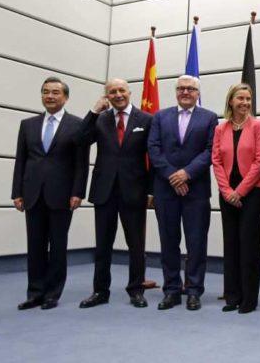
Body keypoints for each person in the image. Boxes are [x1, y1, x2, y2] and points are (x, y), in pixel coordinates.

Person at [12, 76, 89, 310]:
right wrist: (17, 192)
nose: (50, 96)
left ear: (65, 97)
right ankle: (35, 293)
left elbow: (81, 163)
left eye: (56, 92)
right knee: (34, 245)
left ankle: (52, 294)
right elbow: (21, 160)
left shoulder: (77, 125)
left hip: (62, 194)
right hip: (32, 192)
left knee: (57, 245)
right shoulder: (28, 124)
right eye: (46, 92)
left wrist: (78, 192)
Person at [77, 79, 154, 309]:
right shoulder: (100, 119)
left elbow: (154, 159)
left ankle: (136, 290)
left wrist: (151, 191)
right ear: (107, 96)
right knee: (103, 245)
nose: (118, 94)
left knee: (136, 245)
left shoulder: (147, 120)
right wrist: (92, 111)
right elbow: (80, 140)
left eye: (121, 90)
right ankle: (100, 291)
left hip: (135, 191)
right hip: (104, 191)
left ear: (130, 92)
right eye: (112, 92)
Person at [148, 75, 218, 311]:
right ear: (176, 91)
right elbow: (153, 148)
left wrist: (186, 173)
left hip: (196, 190)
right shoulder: (160, 116)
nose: (186, 92)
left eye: (191, 89)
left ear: (198, 93)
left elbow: (210, 151)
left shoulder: (209, 118)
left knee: (196, 243)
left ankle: (194, 290)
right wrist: (173, 175)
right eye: (181, 88)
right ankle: (171, 290)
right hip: (165, 189)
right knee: (169, 242)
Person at [212, 83, 260, 314]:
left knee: (249, 245)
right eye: (240, 99)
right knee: (231, 244)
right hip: (227, 194)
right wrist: (227, 191)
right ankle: (232, 295)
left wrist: (240, 191)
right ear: (231, 101)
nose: (245, 103)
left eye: (248, 99)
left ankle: (249, 299)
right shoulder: (220, 129)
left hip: (253, 193)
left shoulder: (258, 126)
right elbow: (216, 160)